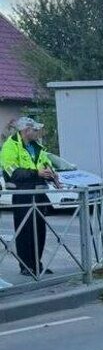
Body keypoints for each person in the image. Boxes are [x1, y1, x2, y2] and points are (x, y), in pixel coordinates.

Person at [0, 117, 57, 276]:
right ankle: (26, 266)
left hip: (38, 193)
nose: (38, 133)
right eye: (35, 130)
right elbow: (12, 172)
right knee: (24, 231)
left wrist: (52, 173)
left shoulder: (37, 147)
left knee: (39, 231)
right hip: (22, 194)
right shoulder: (10, 146)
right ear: (26, 131)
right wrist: (36, 173)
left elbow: (45, 164)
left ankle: (37, 264)